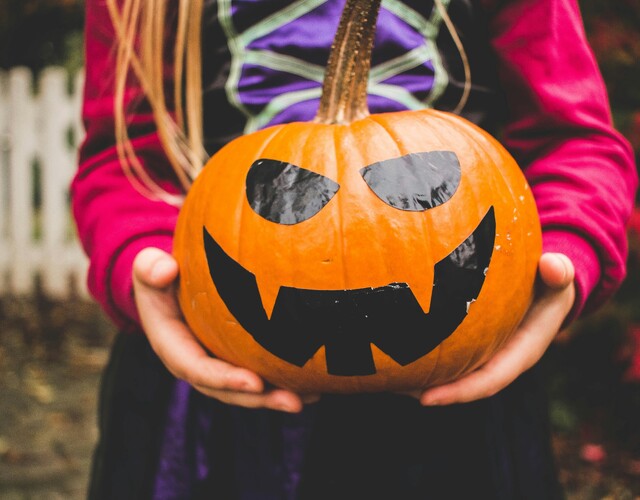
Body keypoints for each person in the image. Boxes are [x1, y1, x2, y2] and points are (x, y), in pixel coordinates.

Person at [72, 0, 637, 498]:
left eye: (417, 186)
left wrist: (567, 249)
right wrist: (140, 262)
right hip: (210, 379)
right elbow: (123, 158)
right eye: (285, 195)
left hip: (463, 379)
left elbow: (574, 140)